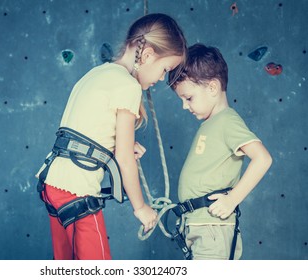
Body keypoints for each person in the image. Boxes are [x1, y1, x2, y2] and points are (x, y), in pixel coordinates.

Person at [35, 13, 187, 260]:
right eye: (164, 69)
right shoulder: (128, 86)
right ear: (147, 55)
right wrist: (141, 208)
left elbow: (87, 129)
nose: (161, 78)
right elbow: (125, 159)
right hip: (77, 189)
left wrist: (117, 146)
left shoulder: (97, 73)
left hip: (53, 182)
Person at [168, 43, 272, 259]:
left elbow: (262, 158)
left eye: (188, 98)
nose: (184, 106)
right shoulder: (211, 123)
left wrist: (232, 199)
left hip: (212, 228)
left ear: (213, 88)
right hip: (199, 225)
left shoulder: (227, 121)